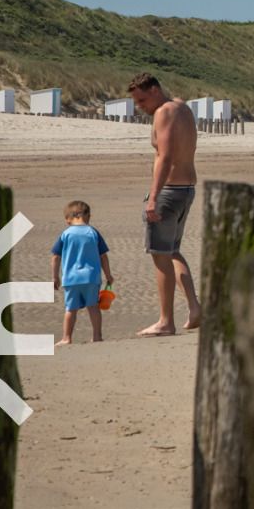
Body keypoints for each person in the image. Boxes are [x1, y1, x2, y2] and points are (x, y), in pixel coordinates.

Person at [128, 72, 202, 336]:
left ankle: (165, 321)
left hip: (169, 192)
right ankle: (194, 308)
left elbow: (166, 156)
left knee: (161, 254)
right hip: (186, 189)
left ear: (156, 90)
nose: (141, 107)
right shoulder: (183, 107)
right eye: (137, 102)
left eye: (143, 100)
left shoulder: (164, 112)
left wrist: (154, 196)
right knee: (172, 251)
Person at [50, 200, 113, 345]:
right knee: (93, 307)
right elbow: (103, 256)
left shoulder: (65, 234)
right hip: (91, 277)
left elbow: (55, 257)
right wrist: (108, 275)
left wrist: (55, 277)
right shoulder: (93, 232)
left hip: (71, 279)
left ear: (68, 219)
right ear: (89, 216)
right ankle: (97, 336)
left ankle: (67, 337)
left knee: (70, 309)